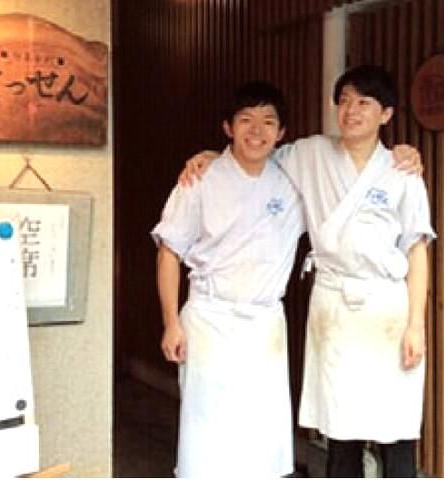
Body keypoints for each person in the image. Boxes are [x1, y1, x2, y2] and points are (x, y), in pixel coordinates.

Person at [180, 65, 435, 477]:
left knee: (395, 427)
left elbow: (417, 250)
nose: (351, 111)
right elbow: (254, 153)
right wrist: (211, 157)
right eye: (344, 101)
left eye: (364, 102)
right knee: (340, 427)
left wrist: (416, 326)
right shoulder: (310, 153)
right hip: (333, 306)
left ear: (386, 114)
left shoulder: (403, 172)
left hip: (386, 308)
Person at [151, 81, 305, 478]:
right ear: (228, 127)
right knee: (207, 433)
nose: (257, 131)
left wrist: (404, 155)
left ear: (282, 133)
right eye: (246, 120)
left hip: (264, 324)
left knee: (262, 436)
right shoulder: (200, 179)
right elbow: (169, 251)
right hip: (210, 320)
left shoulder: (293, 181)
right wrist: (171, 323)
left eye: (268, 121)